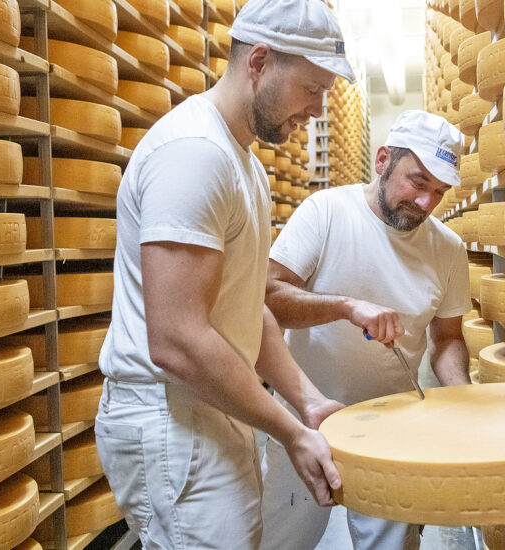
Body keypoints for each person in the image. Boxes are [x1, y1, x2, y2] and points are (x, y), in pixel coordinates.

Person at [93, 1, 357, 548]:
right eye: (312, 88)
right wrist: (289, 432)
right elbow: (177, 339)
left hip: (212, 402)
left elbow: (244, 309)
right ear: (259, 62)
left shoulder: (245, 164)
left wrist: (306, 402)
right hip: (173, 418)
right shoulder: (195, 154)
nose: (317, 109)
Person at [259, 110, 473, 550]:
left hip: (391, 429)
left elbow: (448, 337)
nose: (427, 203)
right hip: (307, 421)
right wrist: (343, 307)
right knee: (280, 543)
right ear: (382, 161)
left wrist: (462, 400)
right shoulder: (326, 212)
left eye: (440, 191)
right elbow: (267, 297)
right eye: (417, 182)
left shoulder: (448, 250)